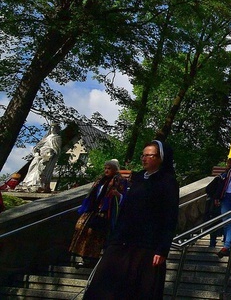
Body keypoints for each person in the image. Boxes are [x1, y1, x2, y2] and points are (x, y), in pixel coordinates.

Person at [83, 140, 179, 300]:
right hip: (122, 239)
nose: (144, 158)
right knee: (104, 285)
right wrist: (112, 237)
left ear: (160, 158)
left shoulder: (167, 182)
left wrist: (162, 248)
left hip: (147, 244)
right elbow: (125, 209)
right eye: (143, 155)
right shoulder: (138, 178)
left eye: (150, 155)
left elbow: (170, 216)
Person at [69, 160, 128, 266]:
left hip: (106, 212)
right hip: (93, 210)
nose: (106, 170)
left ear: (115, 170)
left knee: (94, 233)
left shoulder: (120, 180)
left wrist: (118, 195)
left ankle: (92, 258)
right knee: (80, 226)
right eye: (105, 168)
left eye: (109, 168)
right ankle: (83, 256)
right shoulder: (101, 180)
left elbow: (124, 197)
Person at [18, 124, 62, 192]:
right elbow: (38, 145)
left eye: (55, 128)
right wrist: (36, 151)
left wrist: (49, 154)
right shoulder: (47, 137)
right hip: (40, 154)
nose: (53, 129)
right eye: (52, 127)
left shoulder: (57, 138)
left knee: (41, 169)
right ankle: (29, 183)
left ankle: (38, 184)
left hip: (47, 155)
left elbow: (56, 149)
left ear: (58, 129)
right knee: (32, 166)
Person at [205, 158, 231, 248]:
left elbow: (208, 189)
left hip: (216, 202)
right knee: (226, 221)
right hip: (223, 201)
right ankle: (225, 240)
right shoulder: (227, 178)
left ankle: (213, 242)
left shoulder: (221, 176)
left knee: (216, 222)